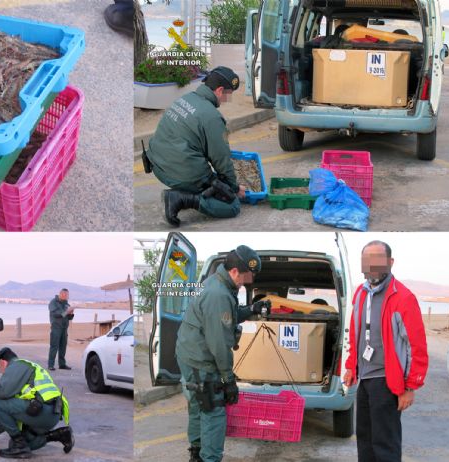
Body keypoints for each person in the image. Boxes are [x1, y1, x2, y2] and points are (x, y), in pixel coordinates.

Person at [175, 246, 271, 462]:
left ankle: (196, 453)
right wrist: (228, 379)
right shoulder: (218, 293)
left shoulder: (217, 283)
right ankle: (208, 458)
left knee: (199, 405)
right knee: (213, 410)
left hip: (190, 355)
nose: (249, 281)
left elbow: (225, 315)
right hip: (200, 360)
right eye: (248, 275)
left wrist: (252, 309)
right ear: (236, 271)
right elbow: (219, 344)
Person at [343, 241, 428, 462]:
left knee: (385, 445)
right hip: (365, 380)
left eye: (377, 260)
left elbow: (416, 346)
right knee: (365, 440)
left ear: (390, 262)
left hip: (387, 381)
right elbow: (356, 335)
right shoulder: (360, 294)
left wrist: (410, 387)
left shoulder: (403, 297)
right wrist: (351, 366)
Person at [144, 66, 246, 227]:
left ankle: (183, 192)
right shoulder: (212, 117)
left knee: (213, 180)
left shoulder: (185, 99)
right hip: (178, 173)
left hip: (157, 166)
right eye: (228, 95)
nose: (227, 100)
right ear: (220, 90)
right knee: (232, 206)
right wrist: (233, 188)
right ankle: (182, 198)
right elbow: (221, 159)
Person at [0, 347, 73, 459]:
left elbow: (3, 392)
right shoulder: (28, 366)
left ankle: (20, 446)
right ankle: (60, 434)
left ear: (3, 362)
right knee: (17, 444)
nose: (2, 373)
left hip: (42, 411)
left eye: (0, 369)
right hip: (51, 413)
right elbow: (8, 418)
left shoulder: (16, 366)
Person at [48, 289, 74, 370]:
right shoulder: (53, 302)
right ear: (61, 294)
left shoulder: (66, 304)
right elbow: (55, 314)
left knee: (63, 346)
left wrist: (71, 313)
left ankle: (62, 364)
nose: (67, 297)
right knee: (54, 346)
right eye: (66, 295)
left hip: (64, 328)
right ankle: (51, 365)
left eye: (68, 295)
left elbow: (69, 317)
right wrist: (66, 312)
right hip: (56, 327)